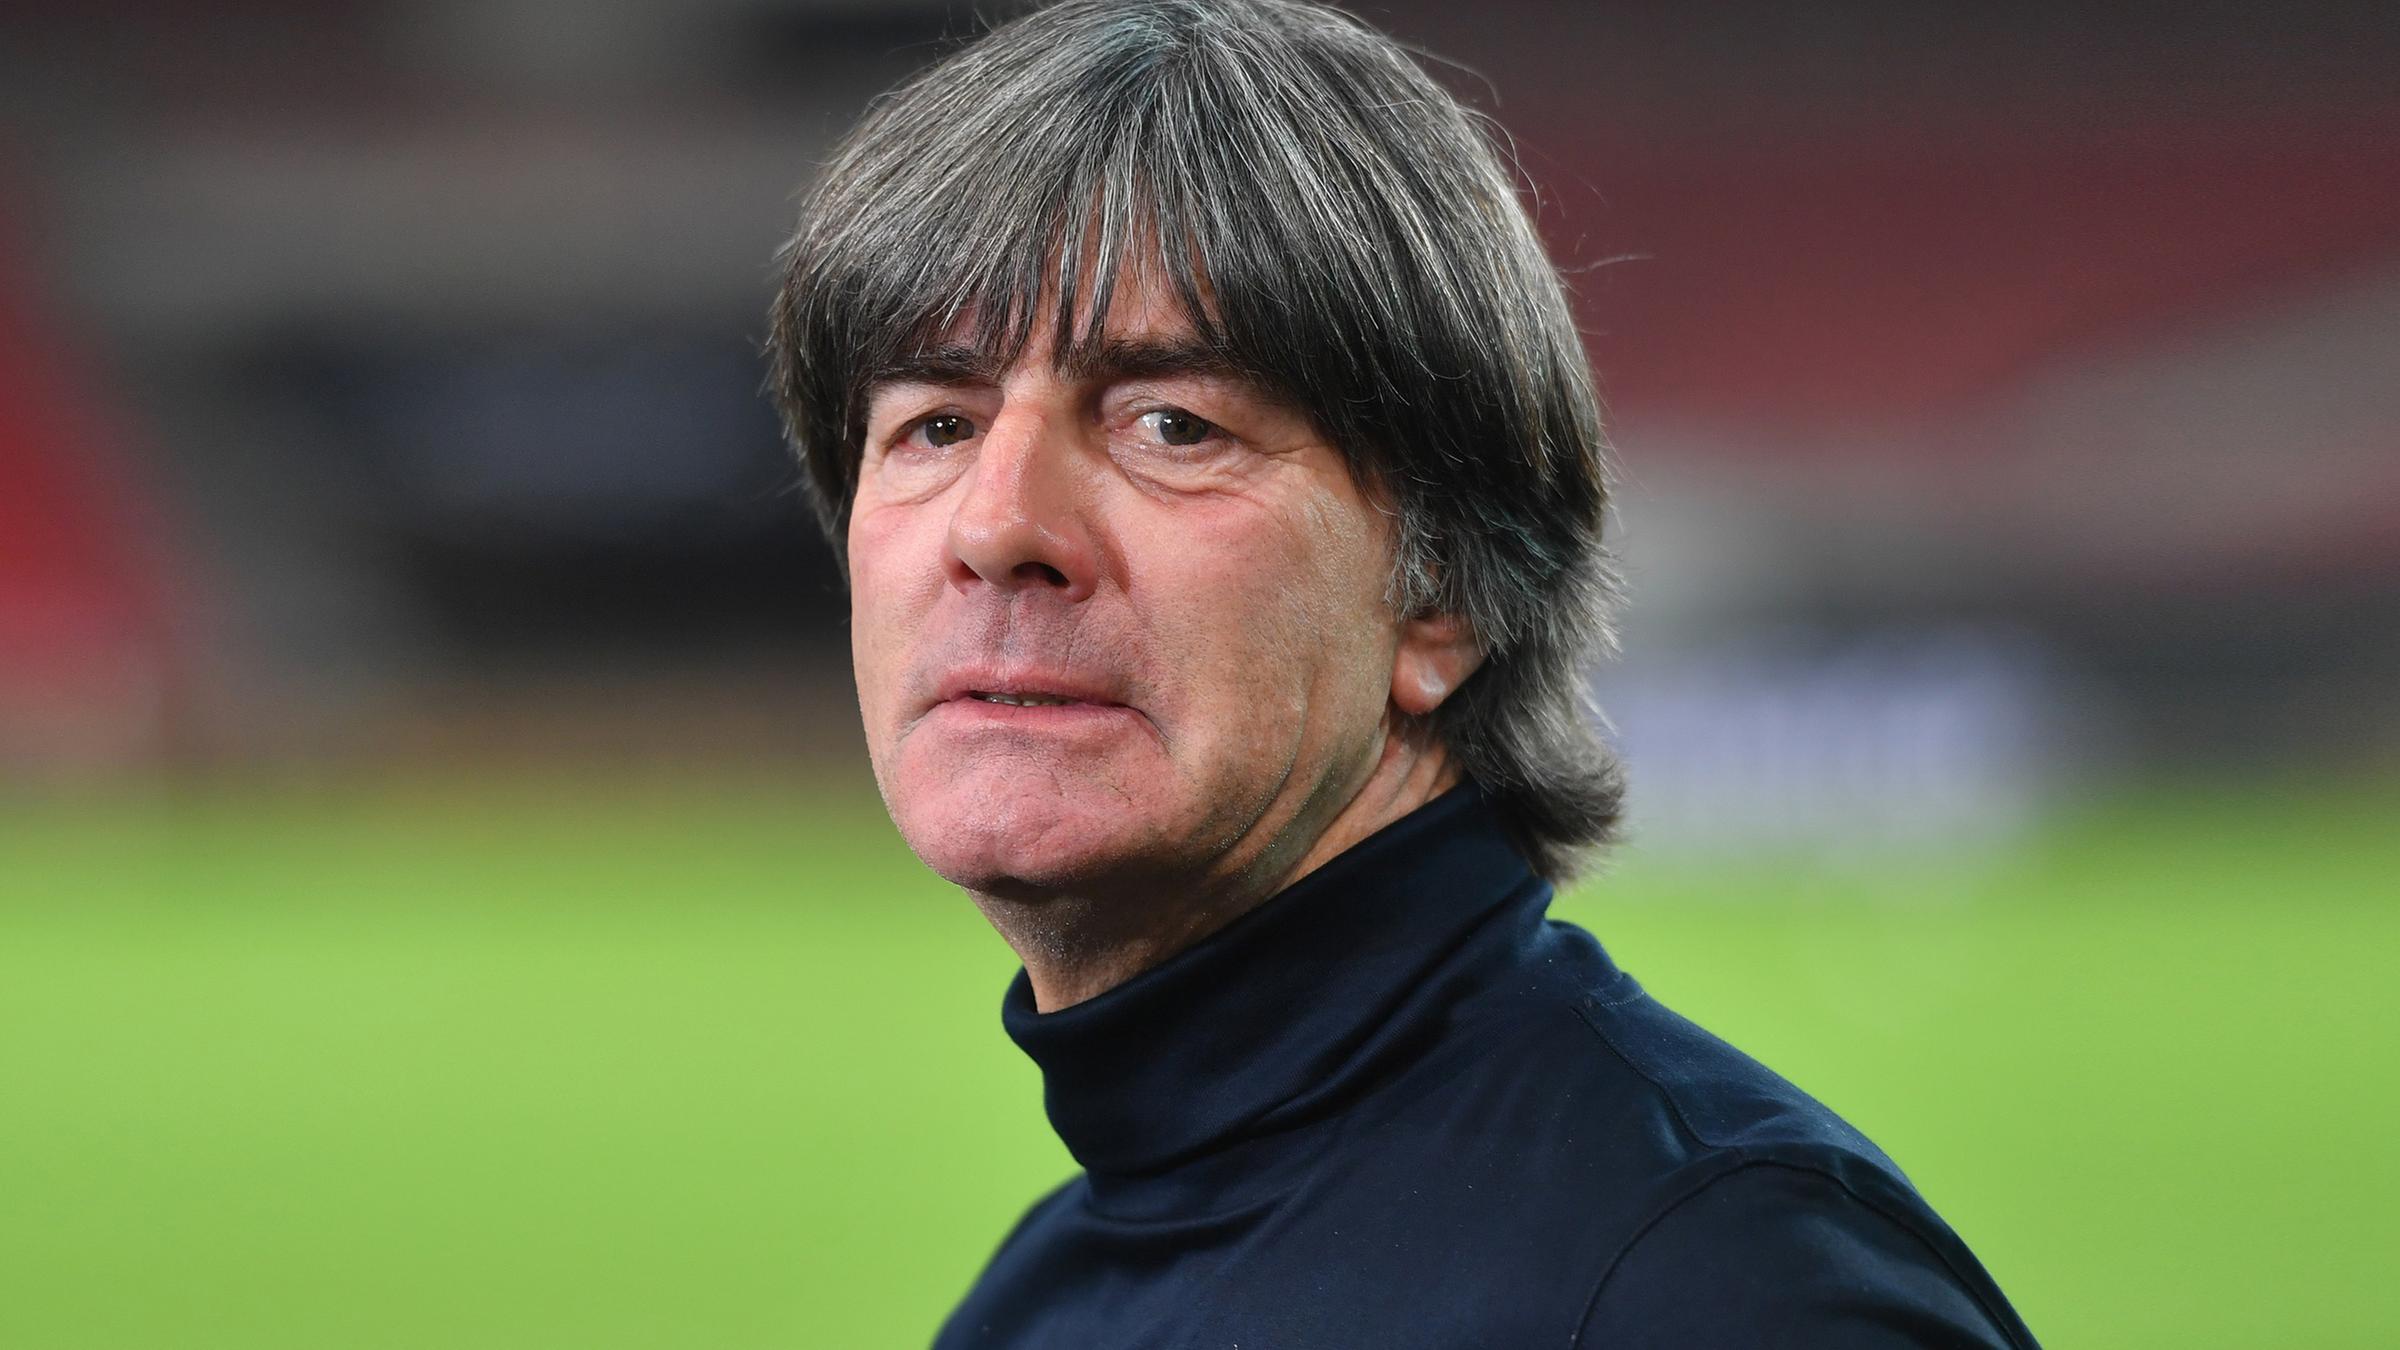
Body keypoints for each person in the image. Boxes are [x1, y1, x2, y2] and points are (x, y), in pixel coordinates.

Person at [766, 0, 2040, 1344]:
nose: (994, 524)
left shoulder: (1725, 1286)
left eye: (1173, 424)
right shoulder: (1035, 1302)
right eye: (935, 424)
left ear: (1443, 594)